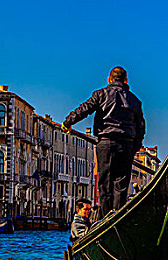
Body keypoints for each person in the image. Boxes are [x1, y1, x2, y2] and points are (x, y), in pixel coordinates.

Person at [62, 66, 145, 218]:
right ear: (126, 81)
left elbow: (84, 109)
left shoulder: (101, 94)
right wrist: (135, 147)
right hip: (126, 144)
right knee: (121, 184)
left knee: (105, 182)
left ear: (109, 79)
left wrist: (68, 122)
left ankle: (106, 217)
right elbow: (141, 127)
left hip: (106, 143)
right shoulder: (134, 101)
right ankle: (117, 216)